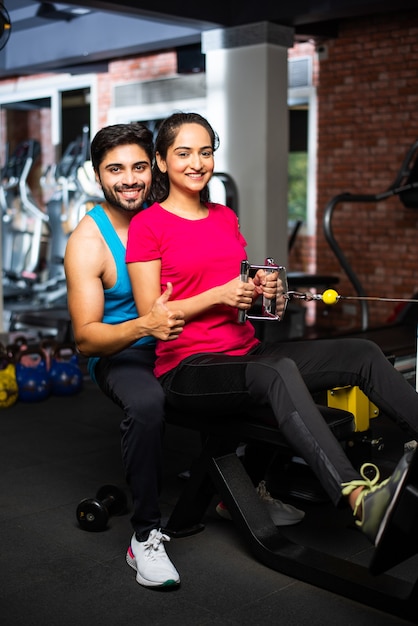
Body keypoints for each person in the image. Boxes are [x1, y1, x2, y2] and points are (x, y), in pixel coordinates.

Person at [126, 111, 418, 547]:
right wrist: (219, 296)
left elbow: (244, 293)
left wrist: (268, 290)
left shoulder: (224, 217)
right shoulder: (148, 225)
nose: (197, 162)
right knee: (278, 370)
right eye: (183, 152)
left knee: (360, 352)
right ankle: (361, 501)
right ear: (162, 162)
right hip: (187, 367)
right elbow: (154, 316)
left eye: (205, 152)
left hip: (244, 353)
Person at [64, 123, 186, 589]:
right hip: (123, 350)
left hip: (178, 339)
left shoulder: (167, 213)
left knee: (253, 367)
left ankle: (238, 489)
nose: (130, 179)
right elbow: (87, 340)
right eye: (115, 169)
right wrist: (144, 327)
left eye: (138, 166)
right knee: (149, 403)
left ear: (153, 165)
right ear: (98, 175)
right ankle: (145, 537)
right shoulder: (88, 241)